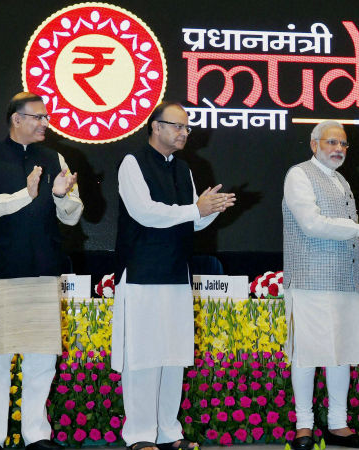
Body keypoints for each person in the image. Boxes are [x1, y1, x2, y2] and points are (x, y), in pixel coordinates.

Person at [111, 102, 236, 450]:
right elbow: (145, 213)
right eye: (177, 126)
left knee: (172, 355)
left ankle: (168, 433)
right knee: (142, 356)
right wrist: (196, 209)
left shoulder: (183, 168)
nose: (184, 133)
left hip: (176, 271)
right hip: (141, 271)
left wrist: (210, 210)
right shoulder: (132, 162)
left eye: (186, 128)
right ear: (155, 126)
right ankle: (139, 435)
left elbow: (191, 221)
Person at [0, 92, 83, 450]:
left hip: (43, 269)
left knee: (41, 360)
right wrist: (25, 194)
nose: (46, 123)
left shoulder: (55, 158)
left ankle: (37, 435)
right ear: (16, 119)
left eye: (46, 117)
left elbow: (73, 215)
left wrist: (60, 196)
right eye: (38, 117)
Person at [282, 120, 359, 449]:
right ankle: (304, 425)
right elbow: (312, 224)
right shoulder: (299, 175)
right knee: (306, 354)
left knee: (340, 352)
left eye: (343, 144)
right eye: (331, 142)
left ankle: (337, 424)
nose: (338, 149)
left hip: (344, 278)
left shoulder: (342, 180)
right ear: (313, 144)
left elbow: (349, 230)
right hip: (310, 278)